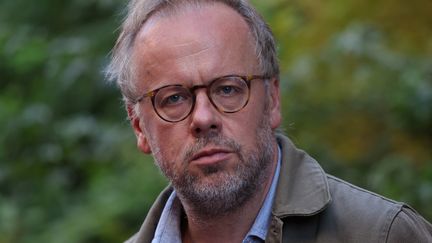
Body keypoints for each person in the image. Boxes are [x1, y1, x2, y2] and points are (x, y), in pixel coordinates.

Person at [106, 0, 432, 242]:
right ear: (138, 126)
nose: (204, 118)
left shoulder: (383, 235)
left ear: (273, 99)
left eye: (229, 88)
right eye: (173, 98)